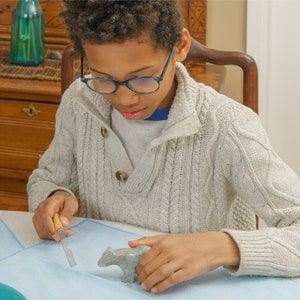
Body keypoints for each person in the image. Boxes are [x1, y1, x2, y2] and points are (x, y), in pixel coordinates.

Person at [27, 0, 300, 294]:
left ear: (180, 46)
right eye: (104, 79)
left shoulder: (228, 125)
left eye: (143, 78)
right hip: (92, 286)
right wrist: (53, 197)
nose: (125, 99)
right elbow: (47, 178)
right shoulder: (79, 102)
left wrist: (223, 245)